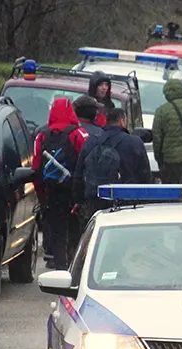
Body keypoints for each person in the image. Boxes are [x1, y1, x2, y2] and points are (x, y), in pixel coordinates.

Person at [33, 98, 88, 270]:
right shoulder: (79, 134)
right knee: (78, 231)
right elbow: (87, 163)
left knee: (58, 232)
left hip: (53, 192)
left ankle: (61, 268)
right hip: (74, 192)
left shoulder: (42, 136)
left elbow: (36, 169)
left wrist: (42, 196)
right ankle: (76, 267)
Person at [73, 108, 152, 222]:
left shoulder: (91, 142)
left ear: (106, 121)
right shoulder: (134, 143)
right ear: (122, 120)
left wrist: (79, 200)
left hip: (97, 200)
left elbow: (79, 173)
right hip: (126, 201)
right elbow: (144, 175)